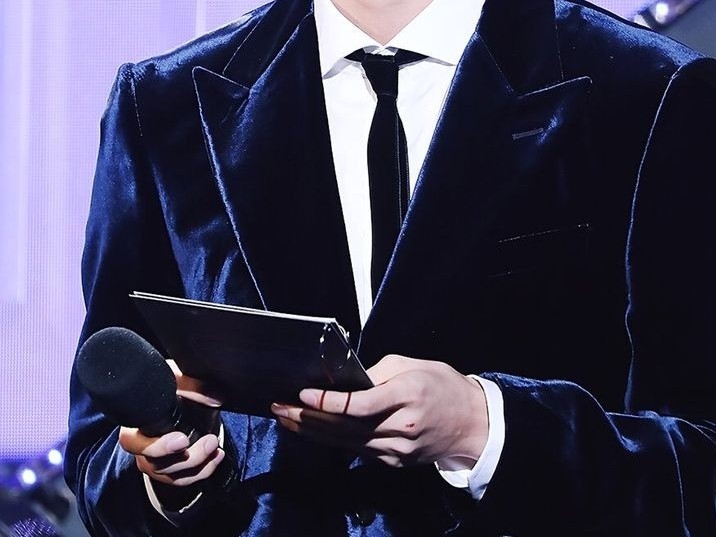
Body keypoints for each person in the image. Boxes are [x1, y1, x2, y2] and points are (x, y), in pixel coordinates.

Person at [65, 0, 716, 535]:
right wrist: (170, 479)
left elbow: (701, 461)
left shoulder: (649, 89)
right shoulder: (164, 105)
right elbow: (99, 460)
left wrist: (484, 428)